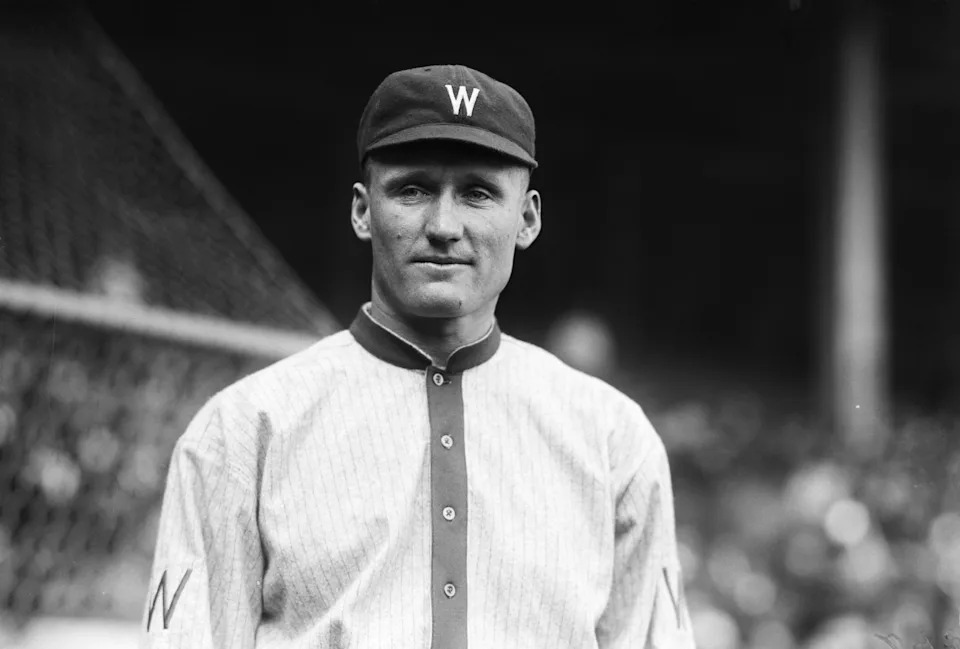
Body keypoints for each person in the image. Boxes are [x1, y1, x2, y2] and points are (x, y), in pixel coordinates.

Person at [139, 64, 696, 649]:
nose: (444, 226)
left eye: (478, 193)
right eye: (413, 189)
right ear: (362, 210)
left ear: (527, 218)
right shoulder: (242, 432)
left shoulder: (613, 439)